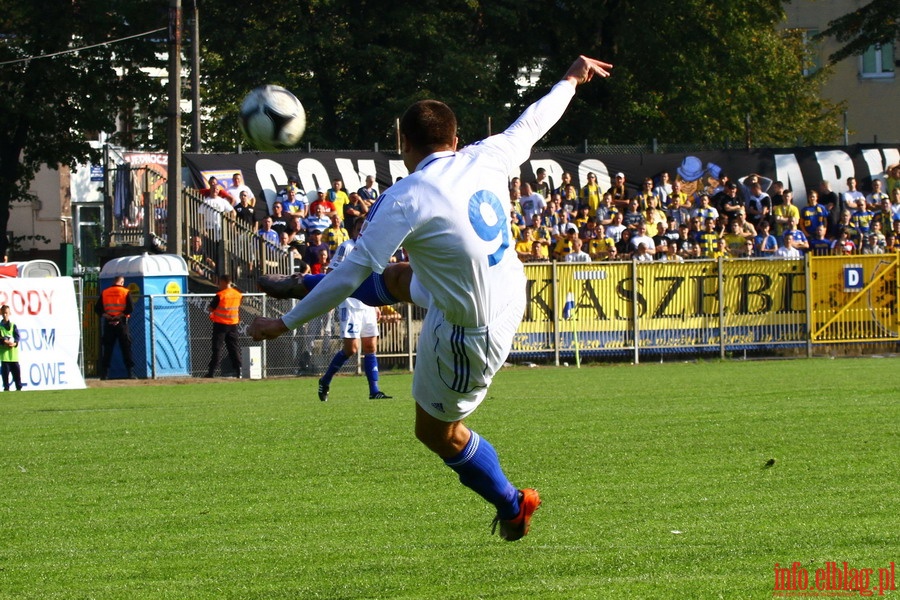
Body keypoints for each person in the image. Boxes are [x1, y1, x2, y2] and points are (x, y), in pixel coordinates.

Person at [250, 55, 613, 541]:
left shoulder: (406, 196)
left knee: (435, 432)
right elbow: (536, 118)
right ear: (455, 138)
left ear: (403, 145)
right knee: (400, 278)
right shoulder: (486, 155)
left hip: (472, 328)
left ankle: (513, 504)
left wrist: (284, 324)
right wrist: (571, 77)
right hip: (506, 287)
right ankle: (300, 281)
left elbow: (347, 278)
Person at [318, 221, 393, 402]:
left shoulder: (372, 250)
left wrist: (376, 305)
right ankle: (325, 380)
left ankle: (374, 390)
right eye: (359, 229)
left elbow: (374, 279)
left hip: (368, 304)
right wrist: (329, 298)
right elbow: (331, 271)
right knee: (351, 349)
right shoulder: (347, 247)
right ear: (353, 231)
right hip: (350, 304)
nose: (363, 233)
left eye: (365, 229)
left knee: (370, 347)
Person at [96, 276, 136, 380]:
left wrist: (108, 316)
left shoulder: (105, 292)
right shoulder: (125, 292)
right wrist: (119, 316)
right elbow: (130, 308)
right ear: (122, 282)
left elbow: (98, 308)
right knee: (126, 348)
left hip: (108, 323)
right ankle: (130, 373)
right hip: (122, 323)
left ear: (114, 281)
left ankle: (104, 374)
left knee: (107, 349)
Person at [205, 275, 242, 378]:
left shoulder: (220, 295)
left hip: (220, 325)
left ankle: (211, 372)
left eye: (220, 282)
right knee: (234, 348)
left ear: (224, 282)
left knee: (217, 348)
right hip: (233, 325)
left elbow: (211, 308)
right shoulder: (238, 294)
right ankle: (239, 371)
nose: (218, 284)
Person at [0, 305, 22, 391]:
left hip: (13, 357)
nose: (5, 315)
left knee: (18, 380)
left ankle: (19, 392)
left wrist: (14, 344)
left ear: (9, 313)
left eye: (6, 313)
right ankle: (6, 391)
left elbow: (17, 338)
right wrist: (4, 342)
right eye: (3, 313)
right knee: (6, 382)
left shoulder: (13, 326)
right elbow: (1, 339)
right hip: (5, 357)